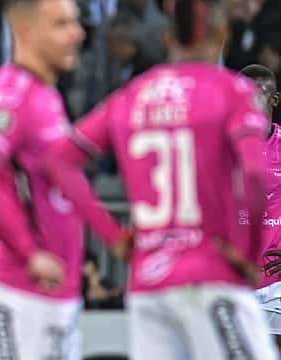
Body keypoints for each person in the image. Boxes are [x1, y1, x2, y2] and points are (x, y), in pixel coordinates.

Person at [45, 0, 279, 358]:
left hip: (149, 282)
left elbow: (57, 161)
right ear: (223, 37)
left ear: (168, 39)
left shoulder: (132, 95)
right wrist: (248, 251)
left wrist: (112, 235)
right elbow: (254, 173)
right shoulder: (231, 93)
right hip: (210, 271)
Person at [0, 1, 127, 358]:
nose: (77, 34)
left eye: (76, 23)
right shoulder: (12, 92)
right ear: (24, 31)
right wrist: (30, 253)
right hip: (22, 288)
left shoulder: (45, 94)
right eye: (61, 24)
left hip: (58, 288)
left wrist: (113, 236)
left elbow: (64, 178)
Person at [240, 64, 281, 349]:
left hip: (276, 282)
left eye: (259, 95)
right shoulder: (225, 148)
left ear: (274, 100)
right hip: (236, 280)